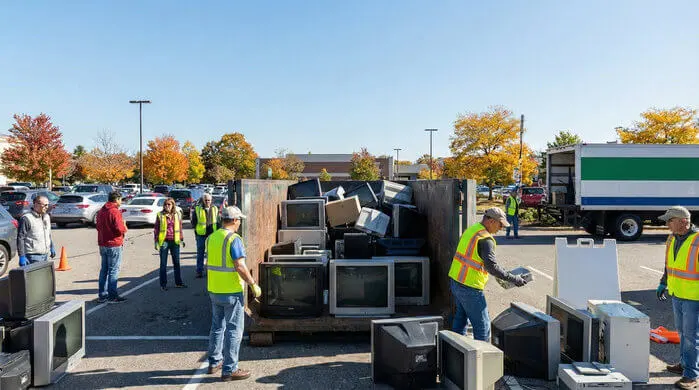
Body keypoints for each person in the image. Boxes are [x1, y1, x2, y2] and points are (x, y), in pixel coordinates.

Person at [449, 207, 529, 341]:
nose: (501, 229)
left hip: (456, 281)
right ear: (491, 221)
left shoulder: (472, 230)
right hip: (470, 287)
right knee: (483, 328)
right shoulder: (486, 240)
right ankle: (482, 359)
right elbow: (492, 267)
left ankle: (455, 354)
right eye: (500, 225)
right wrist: (514, 278)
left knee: (460, 320)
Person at [206, 206, 261, 382]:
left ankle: (214, 362)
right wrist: (253, 284)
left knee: (217, 327)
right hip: (231, 291)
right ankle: (230, 370)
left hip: (214, 289)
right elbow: (240, 266)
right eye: (239, 220)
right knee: (234, 330)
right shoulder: (234, 239)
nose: (239, 223)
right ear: (235, 220)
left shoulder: (212, 237)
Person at [656, 206, 698, 389]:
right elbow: (669, 264)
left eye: (670, 221)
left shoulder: (697, 240)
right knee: (682, 333)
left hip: (694, 297)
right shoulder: (672, 238)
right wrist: (663, 282)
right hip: (677, 293)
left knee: (691, 337)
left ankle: (691, 376)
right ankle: (684, 364)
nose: (667, 224)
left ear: (683, 222)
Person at [96, 191, 128, 303]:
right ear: (117, 199)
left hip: (103, 243)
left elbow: (98, 226)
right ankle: (112, 295)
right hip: (114, 244)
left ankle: (102, 294)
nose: (121, 202)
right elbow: (120, 229)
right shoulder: (115, 211)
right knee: (113, 270)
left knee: (104, 269)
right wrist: (124, 227)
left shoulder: (101, 211)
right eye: (120, 199)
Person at [154, 197, 187, 291]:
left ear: (173, 205)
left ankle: (178, 282)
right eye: (165, 204)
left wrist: (181, 239)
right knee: (163, 264)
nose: (167, 206)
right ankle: (163, 284)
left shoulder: (177, 214)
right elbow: (156, 229)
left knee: (176, 263)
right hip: (164, 241)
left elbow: (179, 227)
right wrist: (156, 241)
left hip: (175, 241)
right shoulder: (160, 215)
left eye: (169, 204)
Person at [17, 195, 56, 265]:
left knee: (44, 275)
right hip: (32, 256)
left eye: (48, 205)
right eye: (45, 205)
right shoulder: (27, 218)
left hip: (45, 254)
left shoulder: (46, 217)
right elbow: (20, 238)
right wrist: (21, 256)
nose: (47, 207)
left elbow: (48, 234)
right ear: (36, 204)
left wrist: (51, 246)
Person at [193, 193, 220, 278]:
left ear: (211, 200)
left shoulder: (215, 208)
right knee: (200, 253)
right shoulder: (198, 209)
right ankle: (199, 271)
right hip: (201, 235)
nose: (207, 202)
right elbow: (194, 221)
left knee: (211, 253)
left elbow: (218, 221)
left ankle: (210, 270)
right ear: (203, 200)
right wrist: (197, 231)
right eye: (206, 200)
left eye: (209, 200)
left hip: (212, 234)